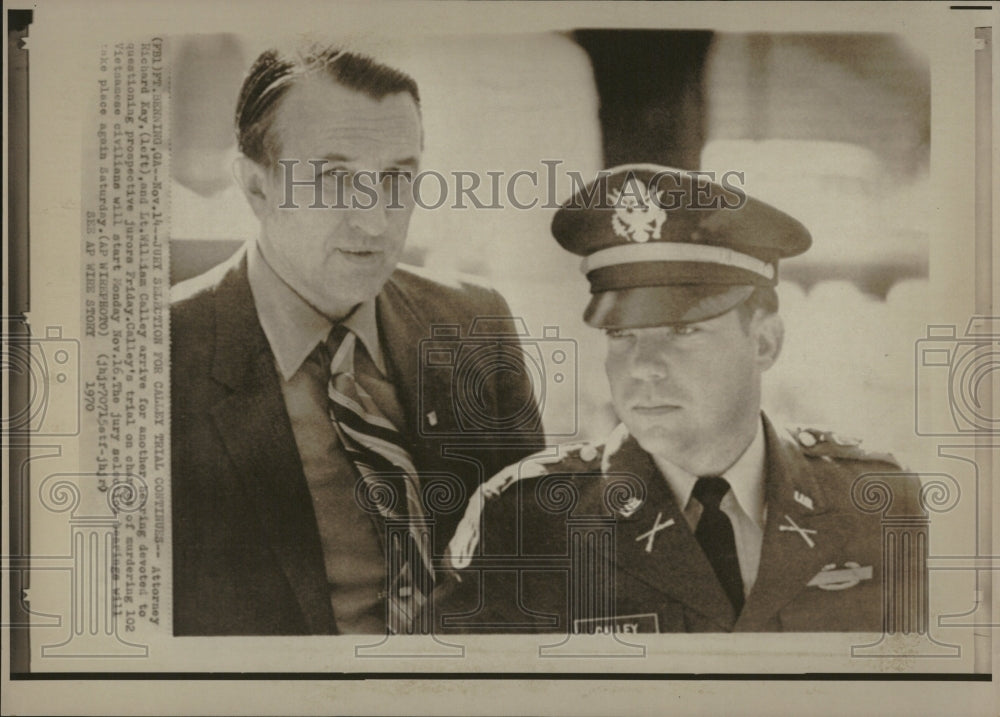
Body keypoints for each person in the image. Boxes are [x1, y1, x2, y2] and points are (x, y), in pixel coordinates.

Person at [443, 165, 923, 633]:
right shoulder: (531, 520)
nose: (644, 365)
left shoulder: (878, 505)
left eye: (682, 330)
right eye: (621, 333)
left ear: (764, 344)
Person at [170, 44, 543, 635]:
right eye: (334, 177)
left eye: (397, 178)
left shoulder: (474, 322)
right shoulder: (158, 357)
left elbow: (536, 563)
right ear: (255, 187)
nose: (374, 221)